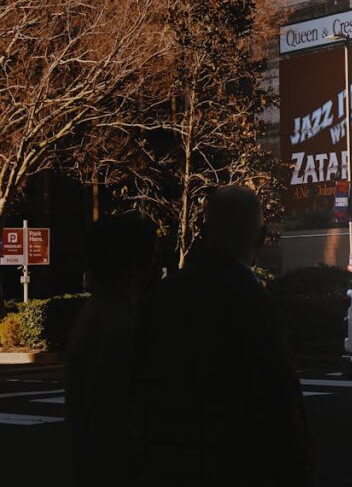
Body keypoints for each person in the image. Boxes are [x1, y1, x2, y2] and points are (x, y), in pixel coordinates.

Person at [135, 185, 313, 486]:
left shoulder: (165, 296)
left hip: (175, 462)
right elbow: (278, 395)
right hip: (244, 461)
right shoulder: (255, 301)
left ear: (206, 229)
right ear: (259, 235)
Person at [66, 212, 157, 487]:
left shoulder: (97, 314)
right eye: (153, 255)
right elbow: (115, 427)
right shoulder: (114, 325)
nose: (157, 264)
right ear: (135, 267)